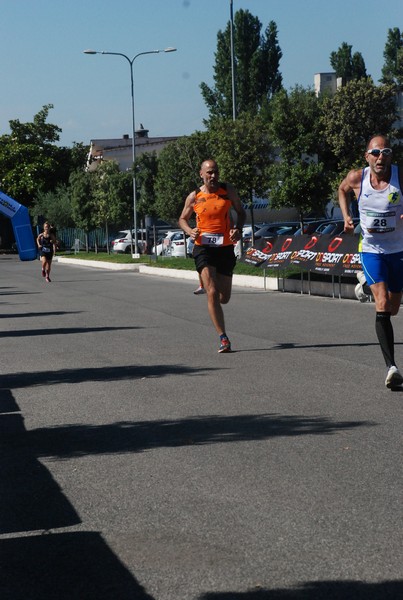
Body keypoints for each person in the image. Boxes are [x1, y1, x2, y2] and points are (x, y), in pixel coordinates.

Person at [339, 134, 403, 388]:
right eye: (375, 153)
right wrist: (346, 216)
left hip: (398, 250)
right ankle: (392, 368)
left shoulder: (400, 177)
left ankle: (364, 285)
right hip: (372, 249)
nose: (380, 157)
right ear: (367, 156)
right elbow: (341, 190)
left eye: (385, 152)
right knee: (383, 302)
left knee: (394, 307)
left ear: (390, 155)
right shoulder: (357, 178)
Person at [179, 159, 246, 352]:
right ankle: (223, 338)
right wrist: (189, 231)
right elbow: (182, 219)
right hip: (203, 248)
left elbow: (241, 213)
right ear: (201, 174)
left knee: (224, 298)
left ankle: (207, 284)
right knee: (212, 292)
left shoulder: (228, 191)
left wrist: (238, 229)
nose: (213, 176)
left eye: (215, 172)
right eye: (209, 173)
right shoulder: (195, 196)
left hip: (225, 248)